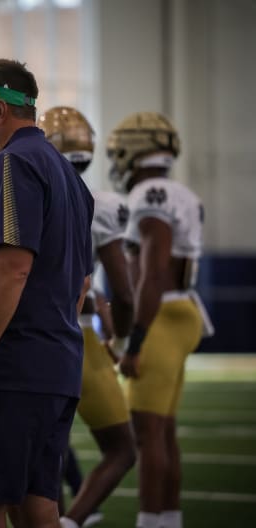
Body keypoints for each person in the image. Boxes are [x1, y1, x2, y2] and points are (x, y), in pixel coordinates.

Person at [0, 59, 94, 528]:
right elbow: (81, 283)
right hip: (54, 367)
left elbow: (11, 267)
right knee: (35, 507)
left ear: (0, 109)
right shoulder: (68, 177)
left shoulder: (13, 165)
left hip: (8, 372)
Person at [106, 111, 214, 528]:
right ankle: (169, 519)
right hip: (178, 310)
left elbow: (151, 272)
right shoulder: (180, 192)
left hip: (161, 314)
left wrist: (135, 341)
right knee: (163, 430)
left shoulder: (149, 193)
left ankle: (151, 522)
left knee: (148, 434)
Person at [38, 106, 137, 528]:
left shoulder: (28, 194)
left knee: (44, 453)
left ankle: (51, 519)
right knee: (121, 449)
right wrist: (121, 338)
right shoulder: (99, 203)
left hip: (29, 337)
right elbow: (125, 291)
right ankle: (71, 521)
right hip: (77, 341)